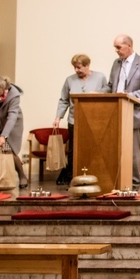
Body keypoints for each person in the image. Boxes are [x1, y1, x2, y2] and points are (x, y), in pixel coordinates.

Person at [102, 34, 140, 188]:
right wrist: (98, 93)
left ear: (129, 46)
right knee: (114, 148)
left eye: (118, 47)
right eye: (115, 48)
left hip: (134, 111)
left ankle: (133, 182)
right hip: (115, 111)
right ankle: (115, 179)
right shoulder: (116, 63)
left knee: (132, 150)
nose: (116, 51)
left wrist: (130, 96)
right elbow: (111, 85)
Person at [53, 54, 107, 185]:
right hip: (75, 121)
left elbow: (107, 91)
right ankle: (72, 177)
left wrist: (98, 93)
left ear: (87, 65)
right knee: (73, 150)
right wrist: (58, 117)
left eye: (79, 67)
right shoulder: (70, 80)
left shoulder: (100, 77)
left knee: (93, 149)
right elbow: (64, 100)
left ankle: (94, 175)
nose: (76, 70)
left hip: (94, 121)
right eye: (74, 67)